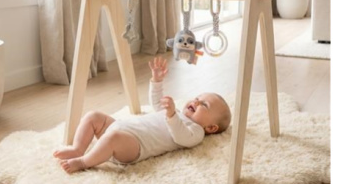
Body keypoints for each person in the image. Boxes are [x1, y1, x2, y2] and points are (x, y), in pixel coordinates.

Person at [54, 56, 231, 174]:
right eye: (197, 98)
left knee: (113, 138)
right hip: (120, 127)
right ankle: (78, 148)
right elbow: (157, 104)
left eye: (204, 105)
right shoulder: (176, 113)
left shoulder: (196, 132)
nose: (196, 102)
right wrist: (157, 81)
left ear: (211, 127)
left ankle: (84, 162)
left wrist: (171, 115)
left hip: (134, 146)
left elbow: (180, 136)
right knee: (93, 116)